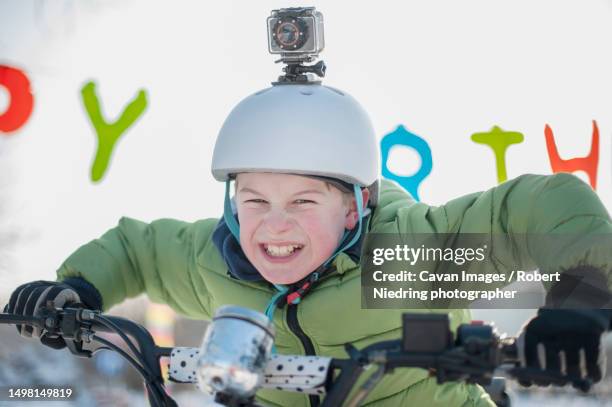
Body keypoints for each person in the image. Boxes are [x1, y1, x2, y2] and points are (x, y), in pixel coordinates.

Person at [5, 82, 612, 407]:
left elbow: (545, 203)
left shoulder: (408, 254)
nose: (274, 226)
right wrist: (75, 290)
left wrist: (579, 301)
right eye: (255, 201)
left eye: (303, 202)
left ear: (356, 205)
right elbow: (137, 248)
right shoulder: (218, 260)